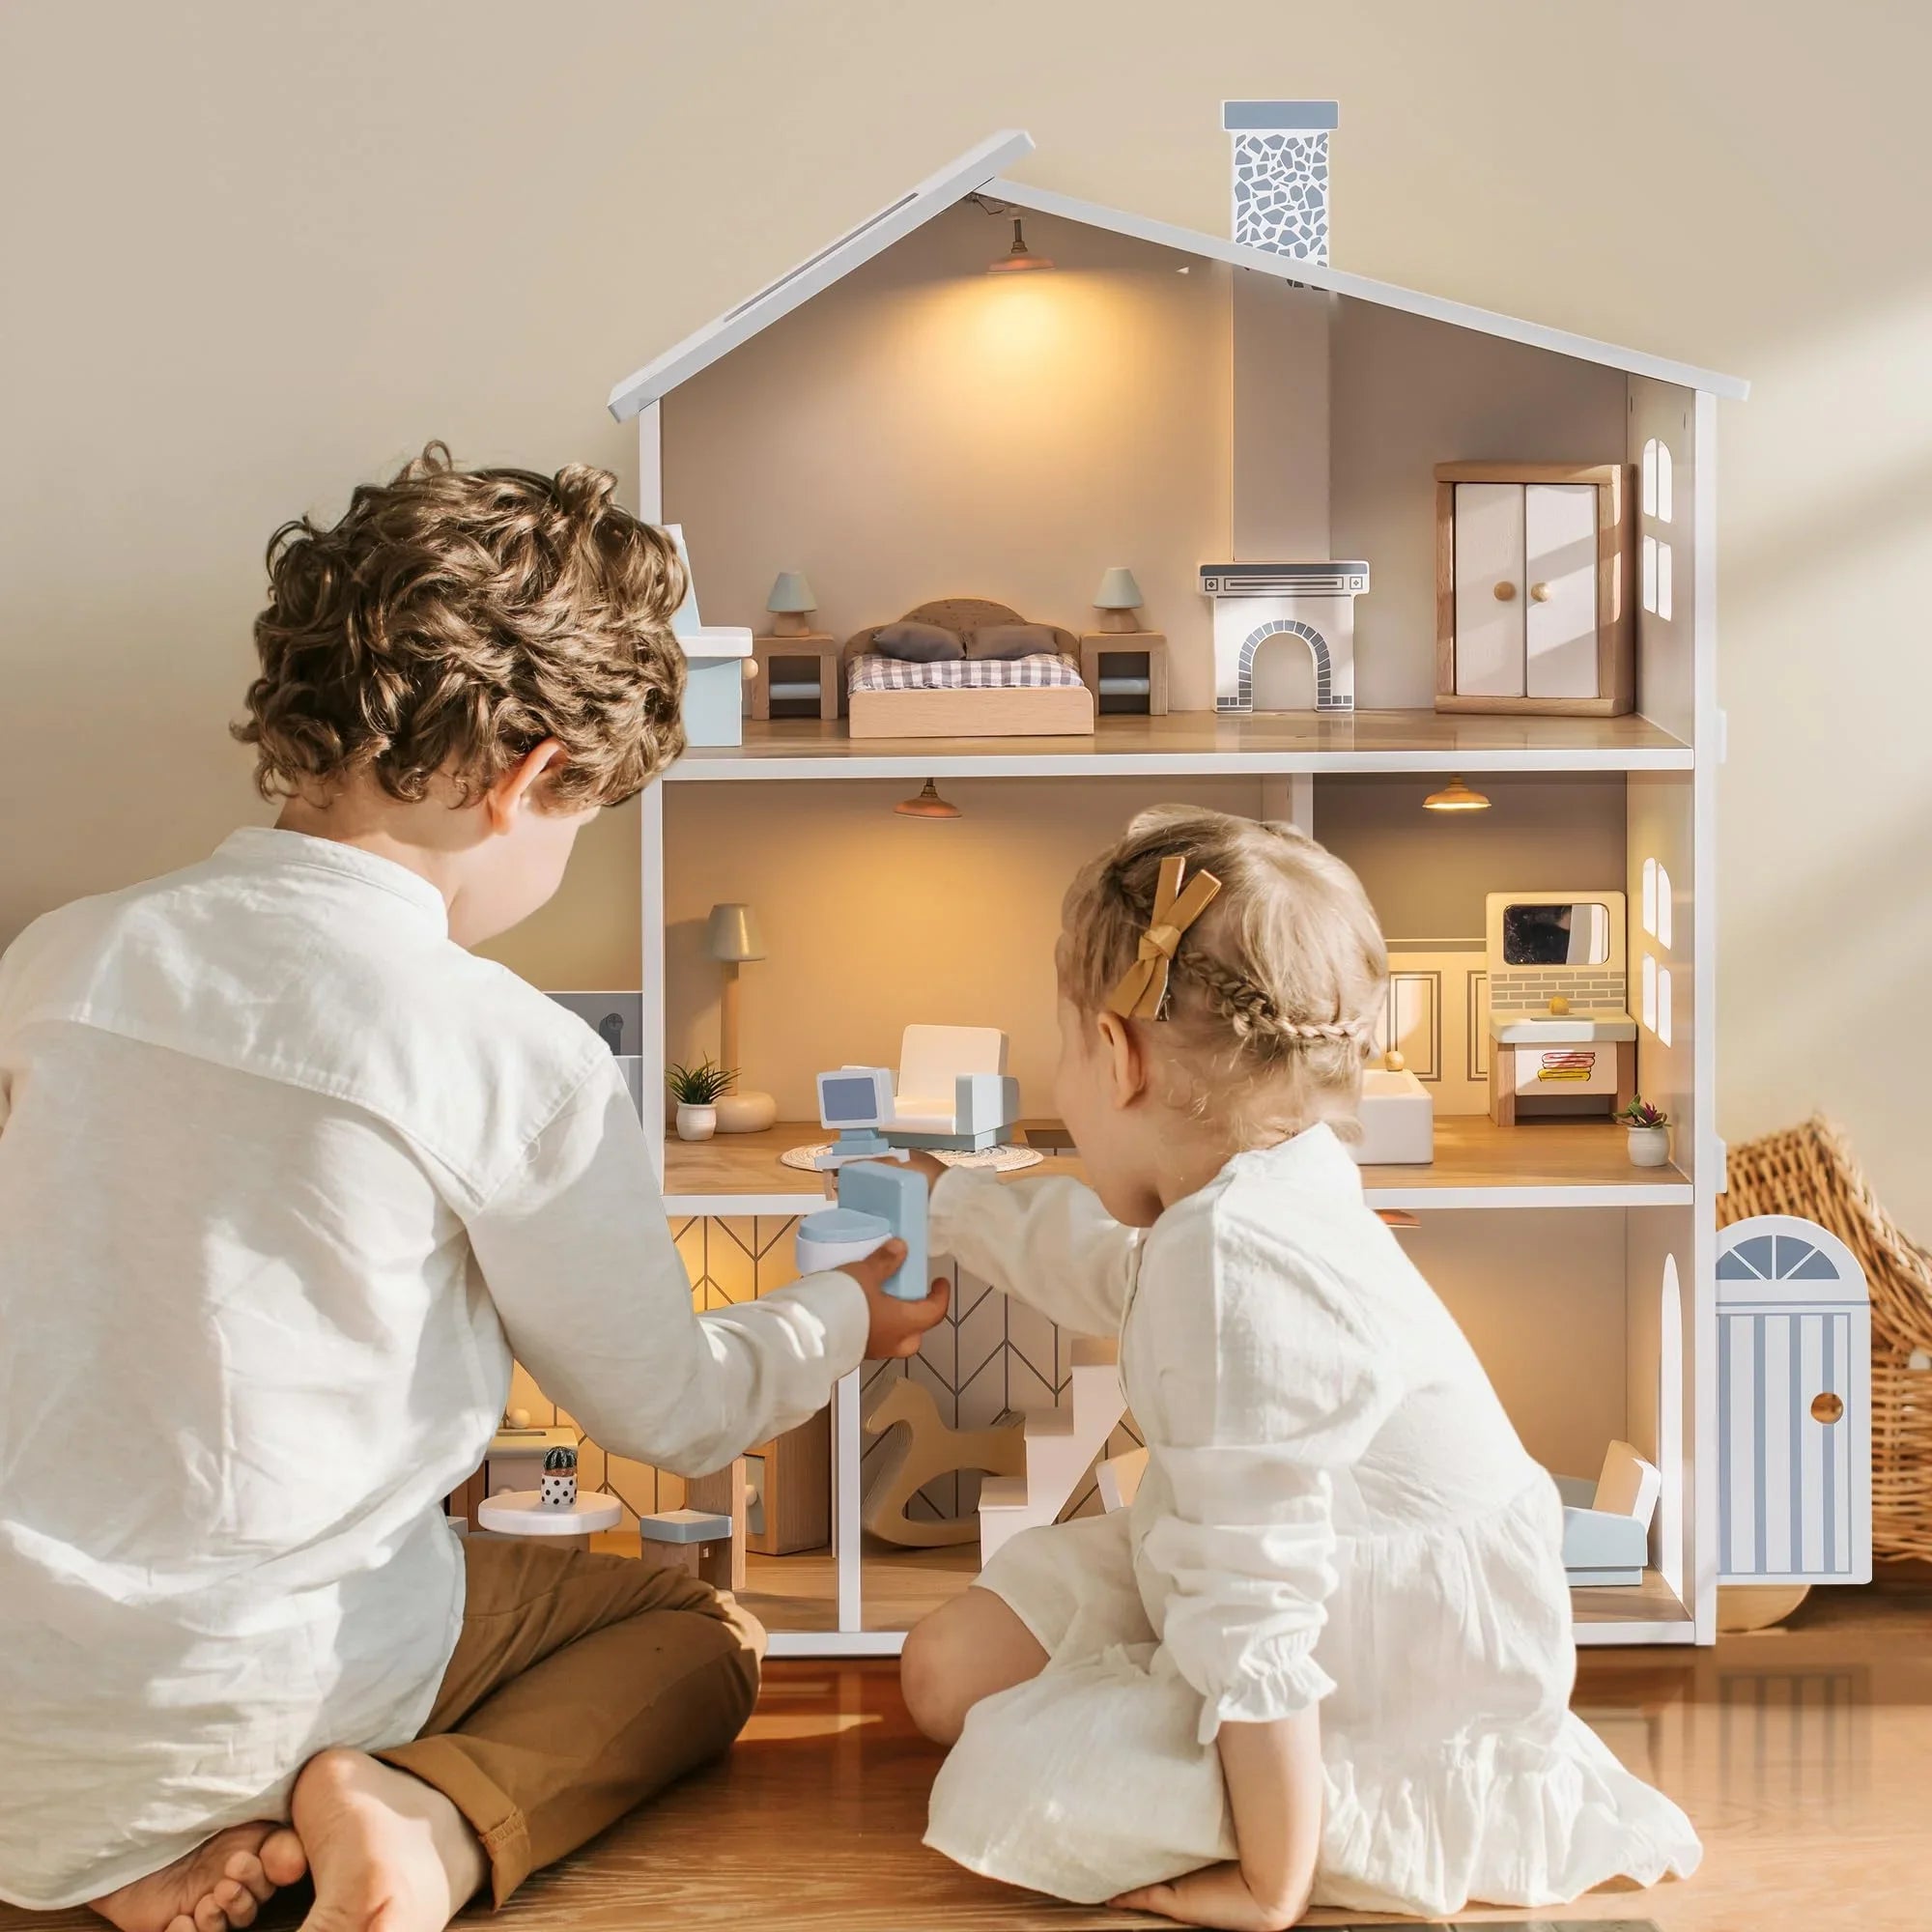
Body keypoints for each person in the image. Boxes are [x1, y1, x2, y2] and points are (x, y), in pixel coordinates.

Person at [0, 447, 946, 1932]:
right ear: (525, 780)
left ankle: (141, 1864)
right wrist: (845, 1317)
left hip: (27, 1712)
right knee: (698, 1635)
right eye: (582, 821)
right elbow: (672, 1412)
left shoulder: (62, 960)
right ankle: (423, 1817)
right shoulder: (511, 1048)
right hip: (264, 1682)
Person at [896, 807, 1699, 1928]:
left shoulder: (1233, 1255)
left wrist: (1268, 1879)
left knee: (1011, 1783)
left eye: (1067, 1043)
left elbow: (1254, 1594)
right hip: (1263, 1557)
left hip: (1363, 1646)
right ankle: (1198, 1751)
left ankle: (1297, 1813)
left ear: (1118, 1057)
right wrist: (958, 1202)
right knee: (944, 1669)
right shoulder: (1256, 1191)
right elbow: (1121, 1282)